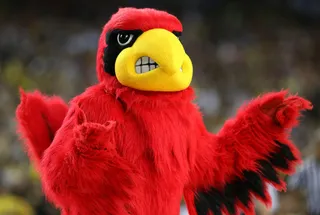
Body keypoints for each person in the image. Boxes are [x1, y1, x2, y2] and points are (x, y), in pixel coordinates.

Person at [288, 130, 320, 215]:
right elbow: (292, 186)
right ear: (316, 146)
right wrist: (302, 199)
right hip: (311, 211)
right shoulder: (306, 167)